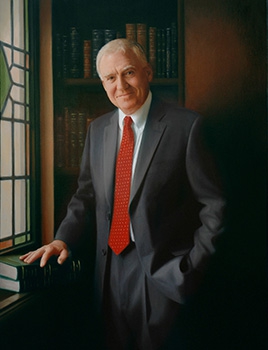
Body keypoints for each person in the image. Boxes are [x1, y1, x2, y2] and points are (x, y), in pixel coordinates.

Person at [20, 38, 225, 349]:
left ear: (147, 72)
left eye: (128, 72)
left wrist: (190, 269)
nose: (121, 86)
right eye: (110, 78)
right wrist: (63, 238)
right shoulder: (97, 130)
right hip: (108, 273)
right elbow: (85, 196)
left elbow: (214, 206)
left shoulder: (187, 126)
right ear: (103, 83)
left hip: (165, 273)